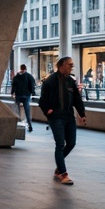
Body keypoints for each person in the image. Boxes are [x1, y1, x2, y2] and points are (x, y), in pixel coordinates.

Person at [38, 57, 86, 185]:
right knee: (60, 144)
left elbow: (77, 99)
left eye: (72, 65)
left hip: (69, 117)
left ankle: (59, 166)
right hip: (56, 117)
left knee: (71, 143)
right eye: (70, 65)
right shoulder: (50, 81)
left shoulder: (70, 81)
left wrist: (82, 114)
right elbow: (42, 100)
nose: (72, 67)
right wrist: (48, 110)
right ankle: (63, 173)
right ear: (61, 65)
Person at [11, 64, 36, 133]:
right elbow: (32, 84)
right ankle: (30, 125)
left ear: (20, 68)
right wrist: (33, 92)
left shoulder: (16, 76)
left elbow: (14, 85)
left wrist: (12, 92)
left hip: (18, 95)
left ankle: (18, 124)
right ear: (26, 68)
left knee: (17, 111)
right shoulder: (29, 76)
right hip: (26, 96)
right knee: (27, 111)